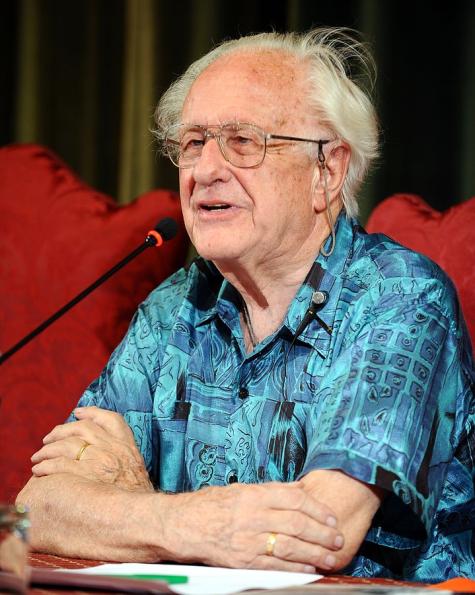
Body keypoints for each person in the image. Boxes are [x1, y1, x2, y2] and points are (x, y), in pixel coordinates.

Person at [17, 27, 474, 581]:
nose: (205, 170)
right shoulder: (172, 308)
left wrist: (131, 507)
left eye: (242, 142)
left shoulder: (400, 298)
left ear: (326, 171)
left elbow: (318, 536)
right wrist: (183, 521)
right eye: (192, 143)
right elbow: (36, 507)